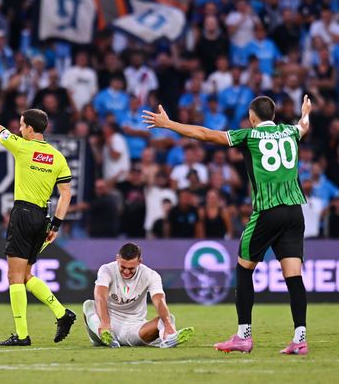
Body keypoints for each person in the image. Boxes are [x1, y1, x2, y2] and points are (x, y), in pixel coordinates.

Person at [143, 95, 312, 355]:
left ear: (252, 117)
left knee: (244, 269)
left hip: (267, 211)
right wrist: (306, 112)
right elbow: (304, 126)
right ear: (274, 116)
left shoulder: (249, 136)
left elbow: (204, 134)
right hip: (294, 212)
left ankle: (243, 335)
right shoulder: (290, 132)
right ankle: (300, 338)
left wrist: (169, 124)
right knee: (294, 276)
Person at [0, 83, 76, 346]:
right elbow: (66, 194)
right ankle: (62, 313)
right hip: (43, 217)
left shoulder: (22, 147)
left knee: (14, 277)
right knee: (25, 276)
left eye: (21, 125)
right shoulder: (57, 157)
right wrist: (57, 225)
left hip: (23, 214)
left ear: (28, 128)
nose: (18, 128)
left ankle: (23, 335)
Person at [82, 242, 194, 348]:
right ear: (117, 259)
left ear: (140, 261)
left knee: (168, 319)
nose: (126, 272)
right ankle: (108, 338)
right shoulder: (106, 270)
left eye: (131, 268)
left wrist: (167, 324)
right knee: (89, 304)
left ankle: (169, 338)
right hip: (104, 326)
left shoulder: (151, 275)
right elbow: (100, 296)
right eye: (123, 267)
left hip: (134, 329)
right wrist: (105, 322)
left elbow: (159, 300)